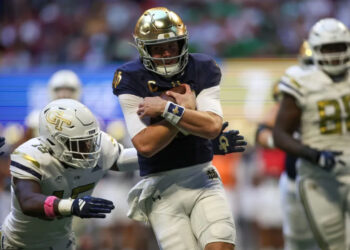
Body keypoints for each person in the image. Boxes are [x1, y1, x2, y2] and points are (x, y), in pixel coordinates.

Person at [112, 7, 246, 250]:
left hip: (203, 177)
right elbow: (145, 145)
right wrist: (187, 112)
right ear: (144, 49)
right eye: (158, 48)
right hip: (161, 186)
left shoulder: (202, 67)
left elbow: (213, 126)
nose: (166, 54)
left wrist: (166, 110)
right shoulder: (130, 77)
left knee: (222, 246)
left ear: (182, 43)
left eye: (172, 46)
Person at [0, 98, 140, 250]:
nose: (88, 149)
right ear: (54, 142)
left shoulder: (98, 147)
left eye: (91, 141)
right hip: (18, 244)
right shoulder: (32, 155)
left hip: (62, 243)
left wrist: (166, 154)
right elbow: (28, 201)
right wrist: (71, 205)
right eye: (79, 143)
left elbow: (126, 159)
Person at [273, 18, 350, 250]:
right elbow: (279, 134)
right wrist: (313, 154)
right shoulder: (300, 81)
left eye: (339, 47)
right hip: (320, 176)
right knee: (333, 246)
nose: (334, 55)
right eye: (328, 48)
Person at [256, 41, 319, 250]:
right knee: (297, 241)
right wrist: (283, 141)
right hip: (297, 177)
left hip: (336, 176)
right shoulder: (293, 90)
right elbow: (262, 132)